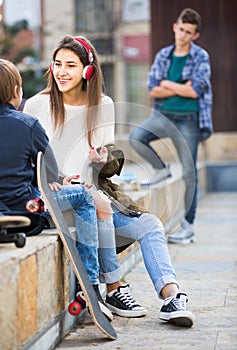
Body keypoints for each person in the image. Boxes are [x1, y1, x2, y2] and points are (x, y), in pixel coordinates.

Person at [23, 35, 195, 326]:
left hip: (94, 195)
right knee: (96, 201)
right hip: (59, 201)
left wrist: (101, 161)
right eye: (57, 64)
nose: (61, 72)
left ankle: (171, 297)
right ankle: (115, 288)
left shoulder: (103, 104)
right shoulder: (37, 106)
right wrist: (62, 179)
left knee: (151, 224)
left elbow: (103, 164)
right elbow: (29, 161)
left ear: (87, 71)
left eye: (70, 65)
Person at [0, 58, 112, 320]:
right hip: (27, 215)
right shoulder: (27, 124)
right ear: (16, 92)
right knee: (84, 196)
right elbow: (49, 173)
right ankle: (91, 286)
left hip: (8, 212)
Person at [129, 8, 213, 245]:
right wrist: (178, 86)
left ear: (195, 35)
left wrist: (168, 84)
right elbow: (153, 88)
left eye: (189, 32)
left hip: (189, 119)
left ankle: (187, 227)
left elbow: (196, 90)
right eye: (181, 29)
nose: (183, 35)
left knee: (189, 172)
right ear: (175, 27)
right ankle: (160, 168)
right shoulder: (164, 55)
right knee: (137, 137)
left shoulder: (200, 57)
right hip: (164, 115)